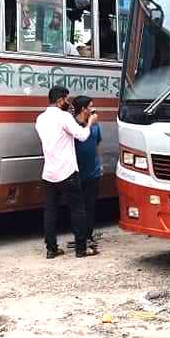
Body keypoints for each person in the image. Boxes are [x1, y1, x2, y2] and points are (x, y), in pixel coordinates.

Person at [34, 86, 99, 259]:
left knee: (50, 211)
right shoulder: (64, 117)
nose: (69, 102)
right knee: (78, 210)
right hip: (67, 171)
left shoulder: (40, 119)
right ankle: (81, 249)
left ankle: (51, 249)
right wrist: (91, 122)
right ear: (60, 100)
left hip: (49, 172)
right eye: (67, 99)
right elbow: (82, 136)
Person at [69, 95, 101, 251]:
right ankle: (79, 236)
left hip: (93, 171)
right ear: (83, 109)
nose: (93, 110)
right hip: (76, 172)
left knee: (91, 206)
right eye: (91, 107)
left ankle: (88, 235)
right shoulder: (71, 125)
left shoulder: (95, 126)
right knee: (77, 207)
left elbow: (96, 144)